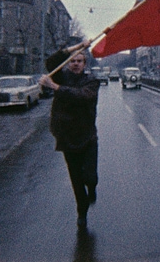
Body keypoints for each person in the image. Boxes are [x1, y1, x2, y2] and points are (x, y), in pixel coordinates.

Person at [39, 40, 100, 228]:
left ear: (84, 64)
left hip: (87, 137)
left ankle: (92, 186)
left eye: (79, 61)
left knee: (89, 176)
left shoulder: (91, 81)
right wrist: (76, 47)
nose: (75, 64)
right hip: (67, 137)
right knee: (75, 179)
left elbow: (82, 96)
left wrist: (55, 88)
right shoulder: (62, 76)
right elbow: (51, 62)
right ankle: (82, 212)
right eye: (72, 61)